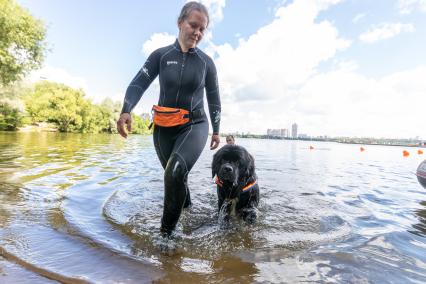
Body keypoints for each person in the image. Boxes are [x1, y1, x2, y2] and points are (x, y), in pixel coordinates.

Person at [116, 2, 221, 237]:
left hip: (195, 125)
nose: (198, 32)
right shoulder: (161, 56)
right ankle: (189, 215)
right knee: (176, 178)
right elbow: (138, 82)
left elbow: (214, 98)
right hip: (163, 127)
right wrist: (126, 110)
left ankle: (166, 239)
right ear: (180, 23)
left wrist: (216, 130)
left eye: (202, 29)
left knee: (174, 172)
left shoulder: (206, 63)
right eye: (193, 25)